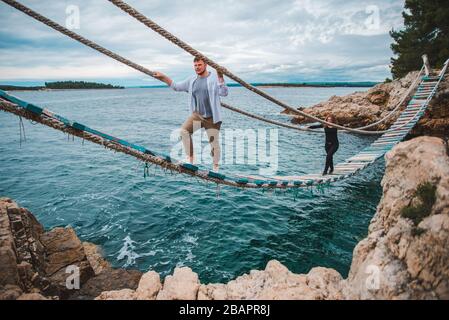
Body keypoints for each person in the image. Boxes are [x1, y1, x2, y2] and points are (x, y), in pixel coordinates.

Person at [153, 57, 228, 172]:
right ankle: (191, 160)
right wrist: (163, 77)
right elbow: (176, 86)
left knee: (213, 144)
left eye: (199, 65)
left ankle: (215, 167)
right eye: (195, 65)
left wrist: (221, 76)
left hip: (212, 117)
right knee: (184, 131)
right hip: (198, 115)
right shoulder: (192, 80)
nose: (197, 67)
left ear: (206, 65)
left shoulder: (213, 78)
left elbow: (224, 92)